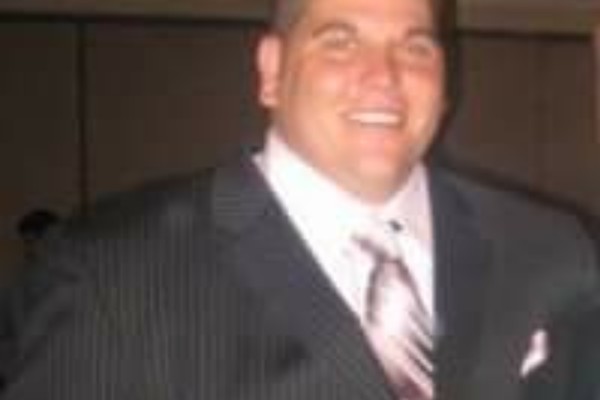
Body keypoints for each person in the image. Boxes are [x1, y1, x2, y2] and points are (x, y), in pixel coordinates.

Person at [1, 0, 598, 399]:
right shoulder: (110, 276)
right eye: (340, 42)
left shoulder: (549, 252)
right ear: (271, 70)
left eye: (415, 47)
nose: (384, 76)